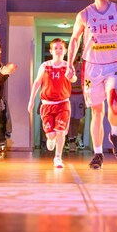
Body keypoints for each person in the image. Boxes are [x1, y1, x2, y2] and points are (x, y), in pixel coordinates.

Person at [65, 0, 117, 169]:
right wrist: (70, 64)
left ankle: (114, 134)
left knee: (115, 104)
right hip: (92, 68)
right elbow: (74, 39)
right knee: (97, 113)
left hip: (114, 65)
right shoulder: (84, 14)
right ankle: (98, 153)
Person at [28, 39, 73, 168]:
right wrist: (31, 99)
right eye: (56, 48)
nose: (58, 50)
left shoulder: (67, 66)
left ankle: (58, 157)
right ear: (51, 51)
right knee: (52, 134)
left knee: (60, 131)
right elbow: (37, 82)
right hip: (47, 104)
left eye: (61, 48)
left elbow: (73, 78)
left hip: (63, 103)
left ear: (65, 51)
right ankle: (50, 138)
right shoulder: (45, 65)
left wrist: (73, 76)